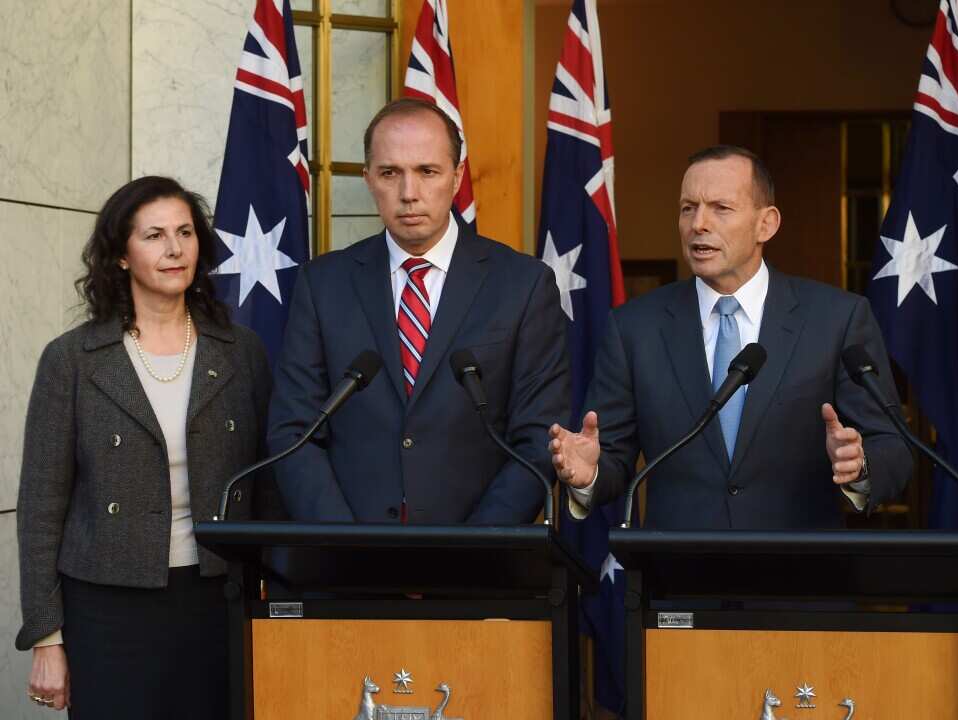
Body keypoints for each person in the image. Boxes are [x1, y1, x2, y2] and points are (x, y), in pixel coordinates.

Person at [548, 145, 912, 529]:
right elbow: (612, 460)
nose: (698, 224)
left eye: (720, 208)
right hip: (679, 579)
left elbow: (894, 448)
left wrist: (859, 465)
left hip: (796, 575)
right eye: (688, 208)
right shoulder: (634, 328)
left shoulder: (837, 319)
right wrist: (588, 474)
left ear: (766, 224)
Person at [16, 176, 272, 717]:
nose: (174, 249)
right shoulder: (74, 359)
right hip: (107, 608)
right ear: (121, 256)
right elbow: (41, 508)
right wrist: (47, 637)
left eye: (184, 232)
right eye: (153, 235)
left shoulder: (241, 351)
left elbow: (268, 483)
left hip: (218, 598)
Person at [268, 98, 569, 524]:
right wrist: (344, 545)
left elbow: (538, 438)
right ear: (369, 179)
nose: (409, 194)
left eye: (427, 172)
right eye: (390, 173)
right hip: (347, 565)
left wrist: (472, 549)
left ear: (457, 176)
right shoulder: (322, 285)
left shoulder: (522, 285)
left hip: (478, 568)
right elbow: (294, 431)